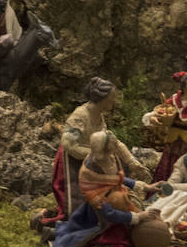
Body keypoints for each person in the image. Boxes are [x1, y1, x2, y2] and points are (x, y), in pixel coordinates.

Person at [46, 76, 151, 225]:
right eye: (111, 98)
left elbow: (113, 141)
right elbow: (69, 145)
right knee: (76, 207)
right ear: (102, 98)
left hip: (92, 161)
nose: (113, 101)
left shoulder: (99, 117)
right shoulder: (80, 116)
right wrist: (94, 153)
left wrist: (131, 161)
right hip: (71, 162)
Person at [52, 130, 160, 247]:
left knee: (119, 201)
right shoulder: (90, 176)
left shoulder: (110, 157)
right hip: (101, 219)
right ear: (102, 149)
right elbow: (109, 214)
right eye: (111, 147)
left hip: (119, 207)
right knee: (118, 243)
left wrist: (147, 187)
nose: (115, 150)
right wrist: (137, 217)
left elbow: (118, 179)